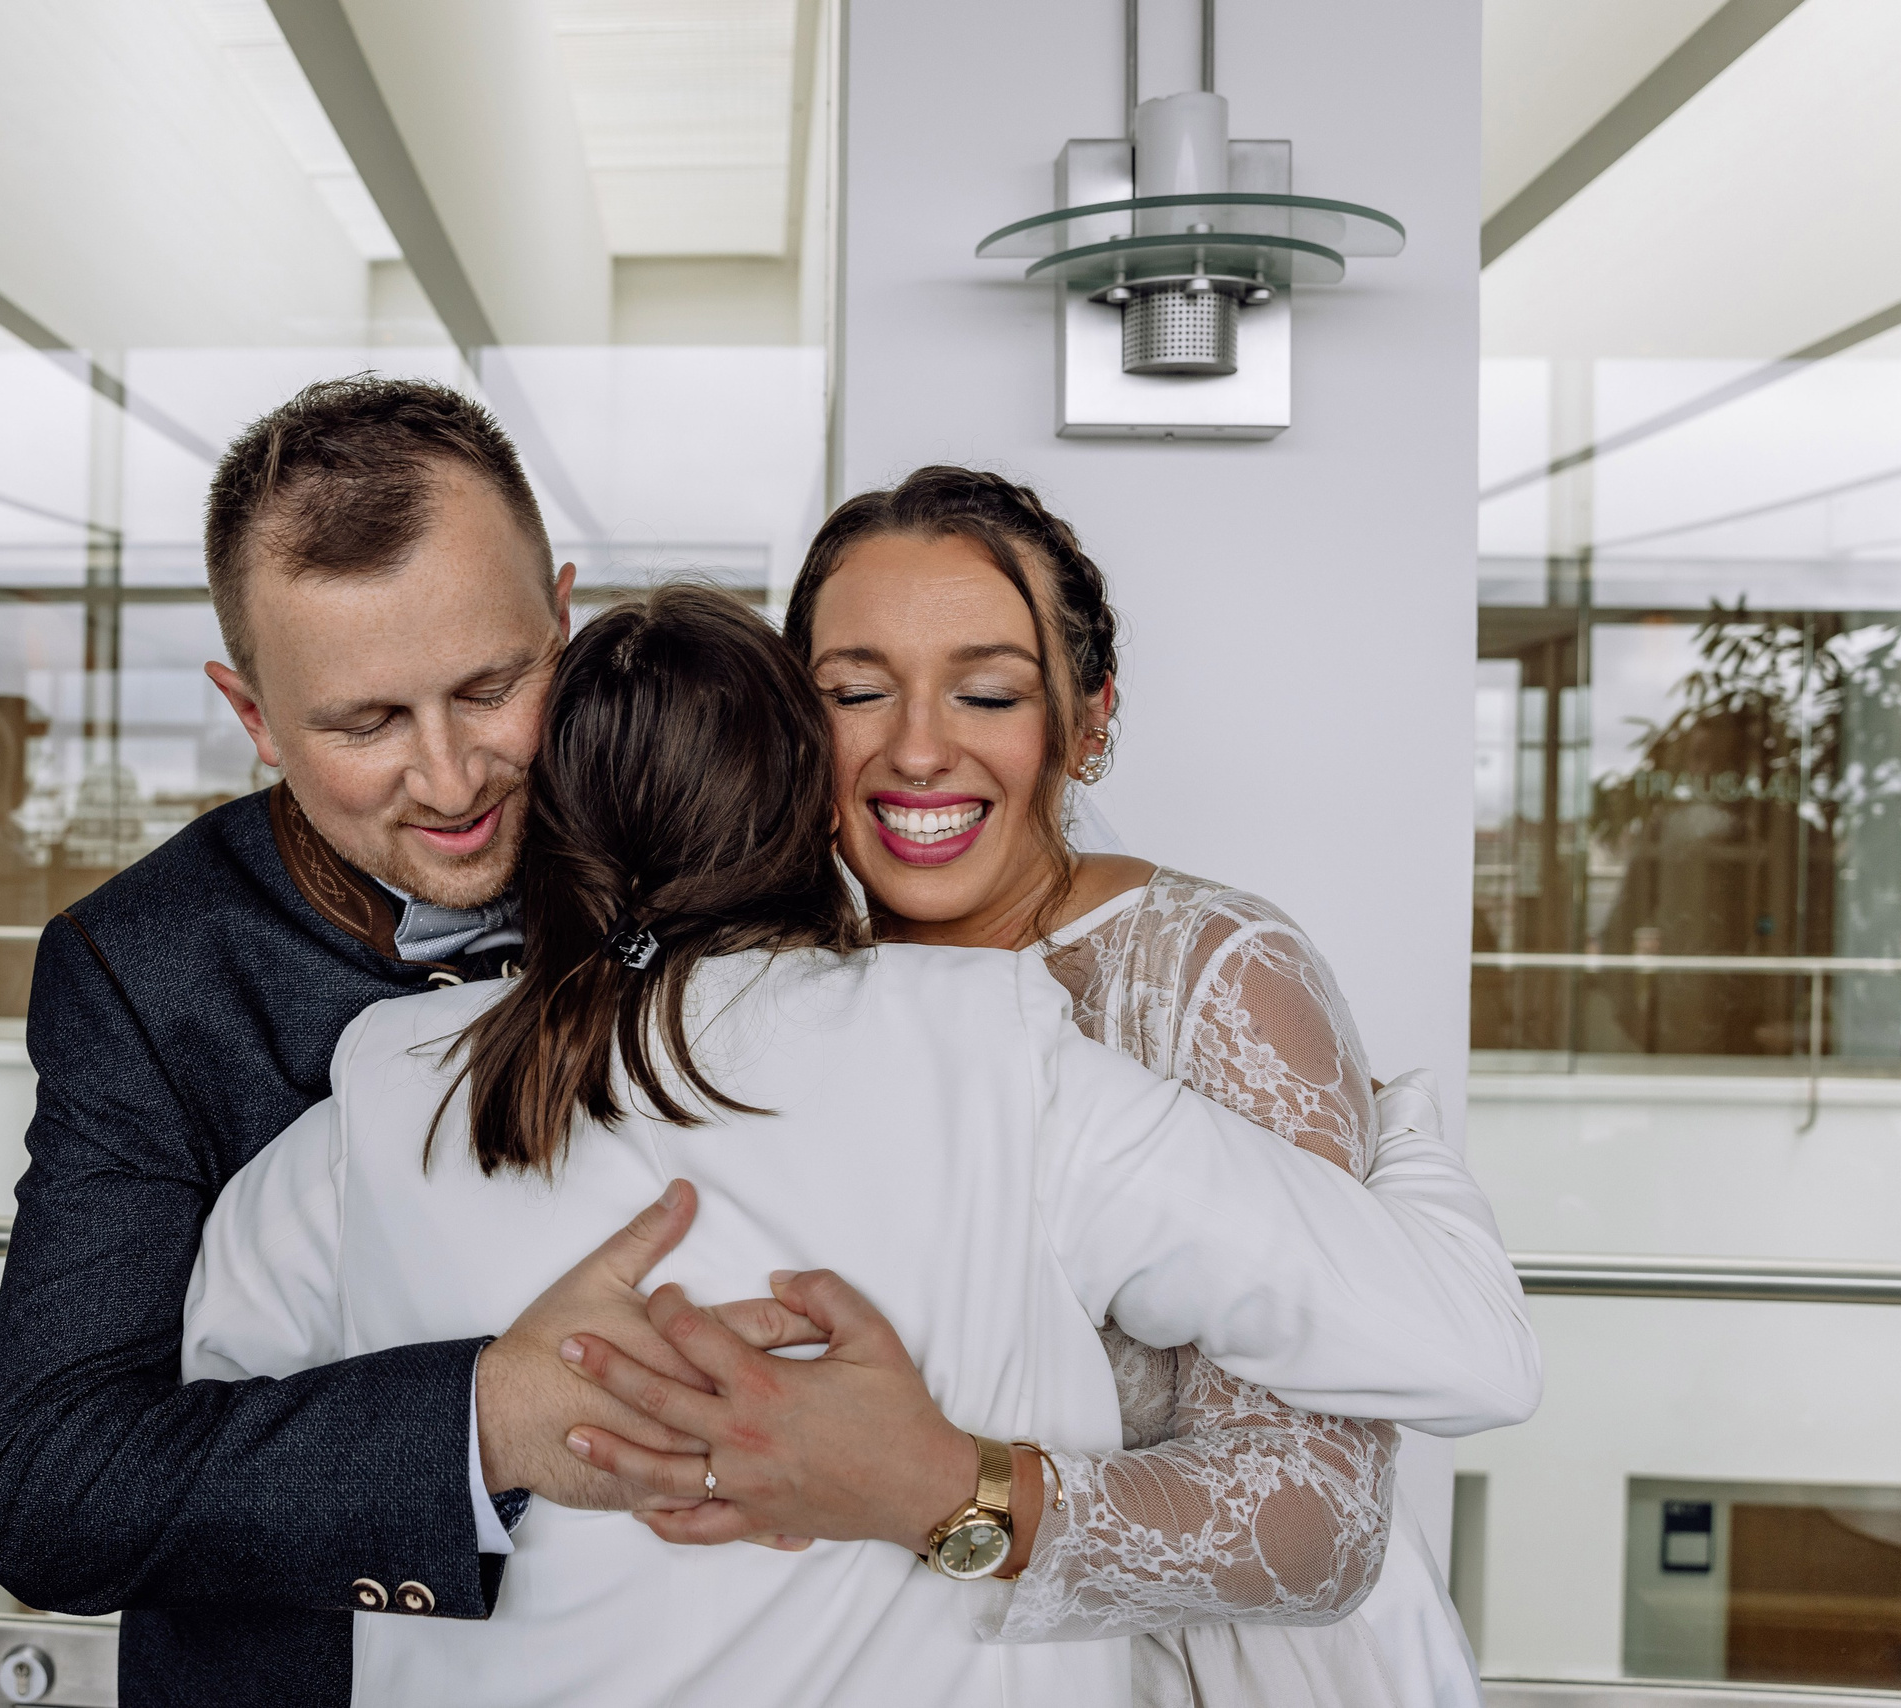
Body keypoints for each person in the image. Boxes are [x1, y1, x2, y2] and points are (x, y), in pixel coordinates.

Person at [181, 587, 1539, 1708]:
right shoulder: (995, 1047)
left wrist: (491, 1414)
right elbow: (1471, 1354)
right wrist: (1398, 1119)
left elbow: (202, 1469)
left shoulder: (386, 1084)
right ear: (811, 802)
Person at [564, 469, 1503, 1706]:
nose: (916, 749)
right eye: (856, 693)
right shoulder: (767, 985)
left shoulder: (1210, 970)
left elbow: (1318, 1520)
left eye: (989, 693)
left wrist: (937, 1487)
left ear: (1085, 719)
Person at [0, 379, 754, 1705]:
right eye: (364, 723)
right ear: (253, 716)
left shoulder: (709, 835)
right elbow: (51, 1494)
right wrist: (485, 1419)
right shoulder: (141, 969)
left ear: (563, 621)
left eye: (493, 687)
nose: (451, 780)